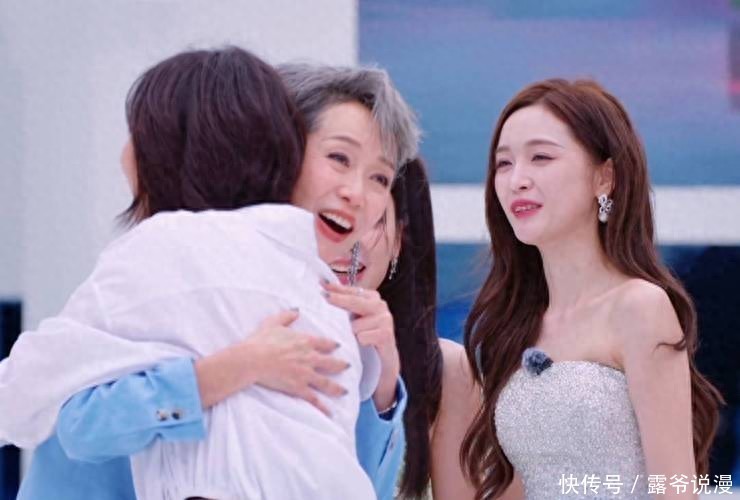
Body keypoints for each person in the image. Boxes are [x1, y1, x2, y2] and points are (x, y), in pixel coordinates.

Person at [1, 47, 419, 499]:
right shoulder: (172, 267)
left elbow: (347, 479)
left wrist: (382, 383)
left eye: (381, 179)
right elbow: (78, 429)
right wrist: (231, 370)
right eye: (338, 158)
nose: (356, 193)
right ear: (276, 145)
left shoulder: (330, 311)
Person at [461, 79, 723, 499]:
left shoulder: (640, 308)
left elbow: (676, 488)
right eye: (504, 164)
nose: (516, 180)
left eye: (541, 157)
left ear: (604, 177)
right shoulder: (511, 325)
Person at [326, 158, 479, 499]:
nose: (347, 241)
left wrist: (384, 394)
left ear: (398, 240)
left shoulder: (447, 372)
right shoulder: (259, 353)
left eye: (370, 219)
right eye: (328, 219)